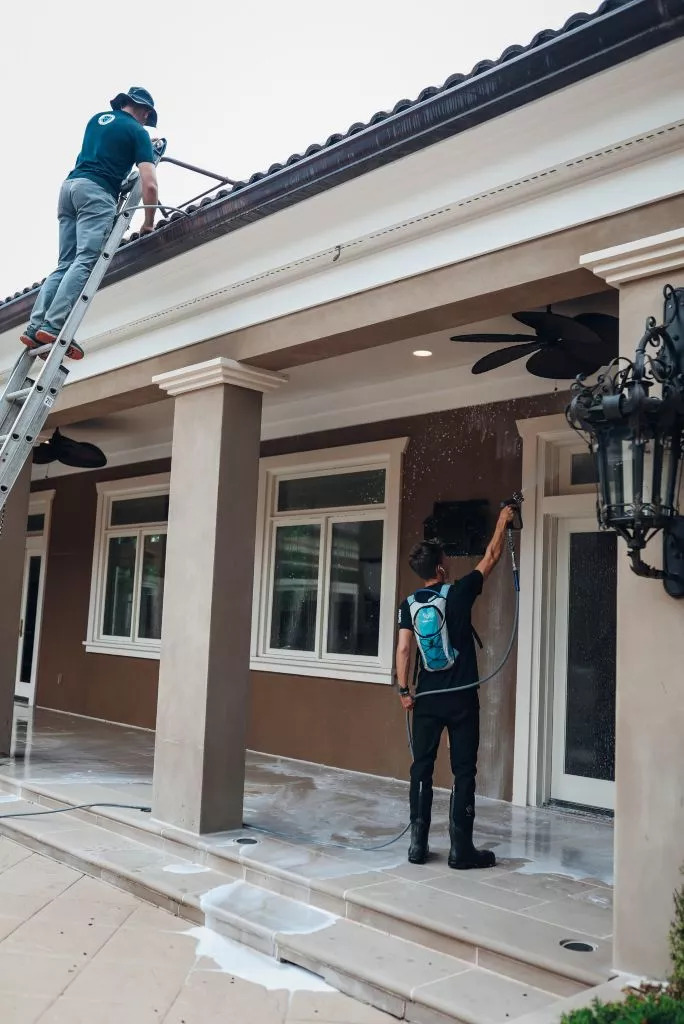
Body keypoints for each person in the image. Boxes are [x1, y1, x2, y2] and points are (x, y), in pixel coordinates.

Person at [395, 504, 515, 869]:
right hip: (462, 698)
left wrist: (404, 691)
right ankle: (461, 850)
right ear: (440, 568)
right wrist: (502, 521)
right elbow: (491, 557)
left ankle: (417, 846)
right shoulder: (458, 592)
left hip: (427, 698)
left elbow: (404, 649)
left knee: (422, 767)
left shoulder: (408, 605)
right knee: (463, 771)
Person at [20, 87, 160, 361]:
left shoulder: (97, 120)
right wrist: (148, 222)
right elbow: (150, 185)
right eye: (147, 116)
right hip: (96, 194)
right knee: (85, 260)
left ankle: (35, 326)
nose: (146, 121)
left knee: (65, 263)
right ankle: (53, 326)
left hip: (70, 188)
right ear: (144, 110)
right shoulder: (138, 132)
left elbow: (105, 158)